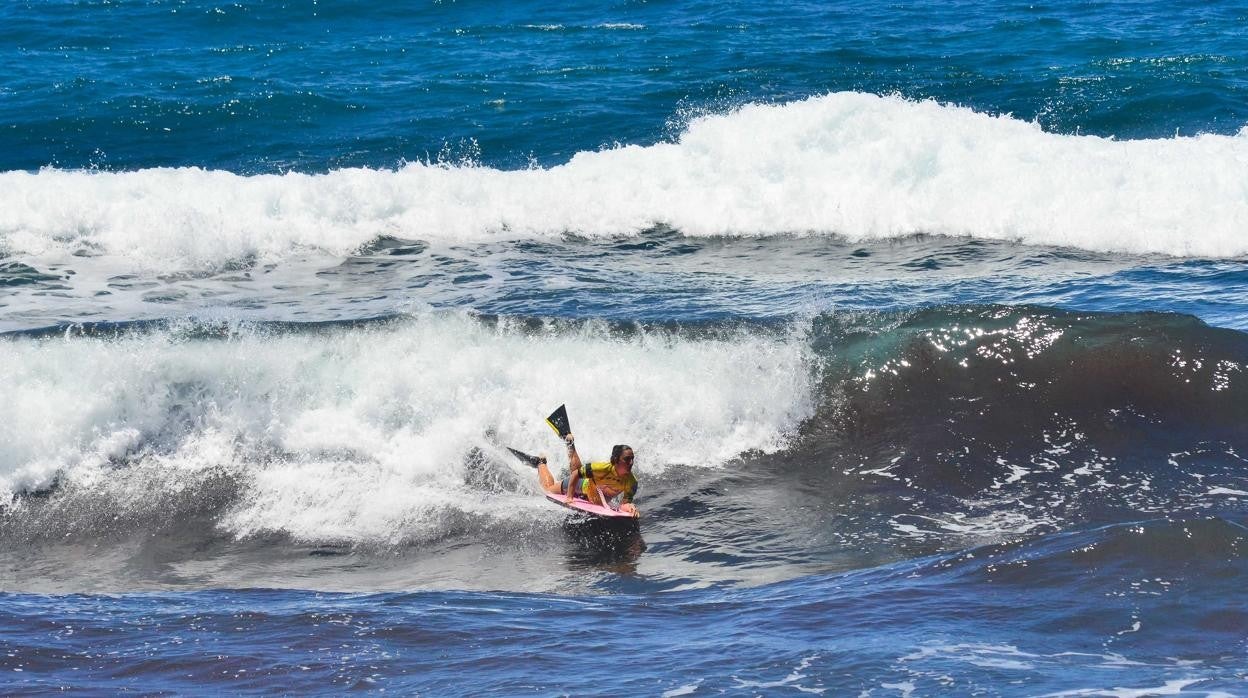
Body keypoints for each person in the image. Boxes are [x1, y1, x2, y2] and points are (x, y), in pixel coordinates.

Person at [535, 434, 639, 517]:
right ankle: (541, 462)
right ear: (616, 460)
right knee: (548, 489)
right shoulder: (601, 468)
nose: (631, 462)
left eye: (632, 458)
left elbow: (623, 505)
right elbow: (576, 474)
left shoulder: (632, 482)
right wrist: (570, 497)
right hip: (581, 486)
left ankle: (570, 444)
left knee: (580, 471)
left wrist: (629, 507)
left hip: (593, 492)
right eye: (627, 459)